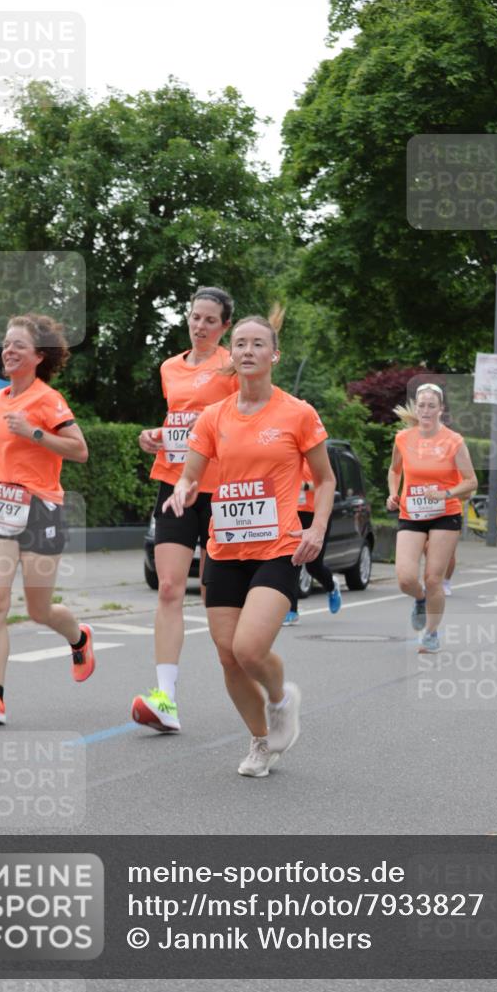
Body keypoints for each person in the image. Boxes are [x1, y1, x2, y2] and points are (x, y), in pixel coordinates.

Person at [163, 307, 335, 777]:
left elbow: (325, 480)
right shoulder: (213, 417)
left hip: (278, 546)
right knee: (227, 656)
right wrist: (183, 489)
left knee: (250, 649)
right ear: (231, 355)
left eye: (258, 344)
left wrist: (317, 528)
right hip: (224, 547)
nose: (247, 350)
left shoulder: (298, 413)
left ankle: (281, 700)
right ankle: (260, 741)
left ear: (274, 355)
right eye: (240, 343)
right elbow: (191, 474)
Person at [0, 314, 94, 725]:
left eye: (18, 345)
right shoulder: (0, 399)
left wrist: (33, 432)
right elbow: (14, 453)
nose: (9, 350)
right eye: (7, 344)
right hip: (1, 504)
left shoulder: (48, 399)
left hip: (41, 509)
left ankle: (78, 637)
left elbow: (79, 451)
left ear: (39, 356)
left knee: (39, 610)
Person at [131, 287, 238, 734]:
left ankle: (254, 680)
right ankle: (165, 699)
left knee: (218, 598)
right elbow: (177, 422)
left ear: (224, 326)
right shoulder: (169, 367)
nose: (200, 326)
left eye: (210, 320)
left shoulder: (233, 365)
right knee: (170, 588)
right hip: (174, 484)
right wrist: (155, 436)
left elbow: (245, 420)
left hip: (221, 490)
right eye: (195, 317)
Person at [387, 385, 477, 653]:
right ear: (416, 408)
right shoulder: (403, 438)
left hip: (445, 513)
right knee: (405, 578)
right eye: (421, 405)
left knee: (433, 578)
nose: (425, 410)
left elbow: (471, 482)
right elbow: (394, 470)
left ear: (441, 409)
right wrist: (393, 493)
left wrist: (445, 493)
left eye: (431, 406)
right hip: (412, 513)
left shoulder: (454, 441)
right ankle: (420, 598)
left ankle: (431, 633)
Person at [282, 460, 341, 625]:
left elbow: (327, 482)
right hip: (292, 513)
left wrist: (305, 486)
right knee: (292, 560)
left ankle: (331, 586)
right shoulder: (287, 457)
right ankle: (291, 610)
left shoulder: (315, 456)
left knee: (313, 565)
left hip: (316, 514)